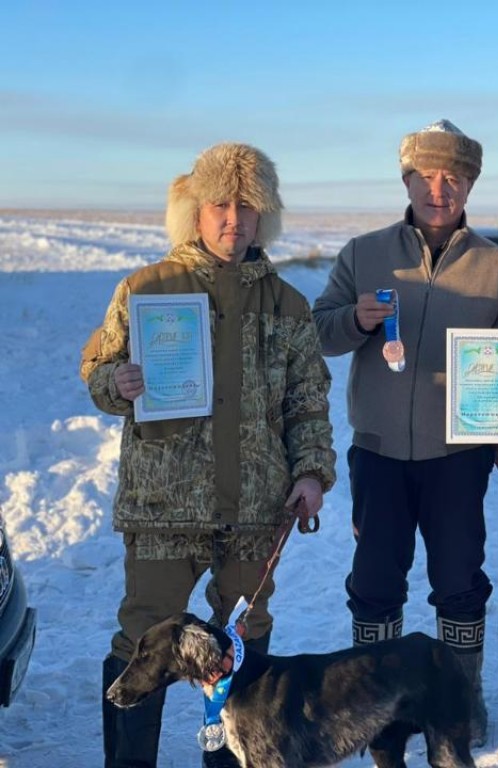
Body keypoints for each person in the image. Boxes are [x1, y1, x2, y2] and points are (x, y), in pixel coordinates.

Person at [82, 143, 337, 768]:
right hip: (164, 509)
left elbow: (307, 401)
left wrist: (310, 470)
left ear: (263, 216)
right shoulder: (147, 289)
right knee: (144, 640)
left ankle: (232, 761)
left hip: (257, 512)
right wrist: (116, 384)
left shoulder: (288, 305)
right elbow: (97, 364)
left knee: (240, 648)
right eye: (220, 204)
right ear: (195, 211)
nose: (234, 219)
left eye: (247, 207)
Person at [312, 119, 498, 746]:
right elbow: (319, 332)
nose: (440, 189)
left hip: (457, 455)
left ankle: (457, 705)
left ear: (470, 184)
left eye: (455, 178)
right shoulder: (363, 252)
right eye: (428, 176)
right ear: (407, 178)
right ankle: (375, 707)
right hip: (379, 452)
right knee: (377, 580)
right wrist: (355, 320)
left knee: (459, 579)